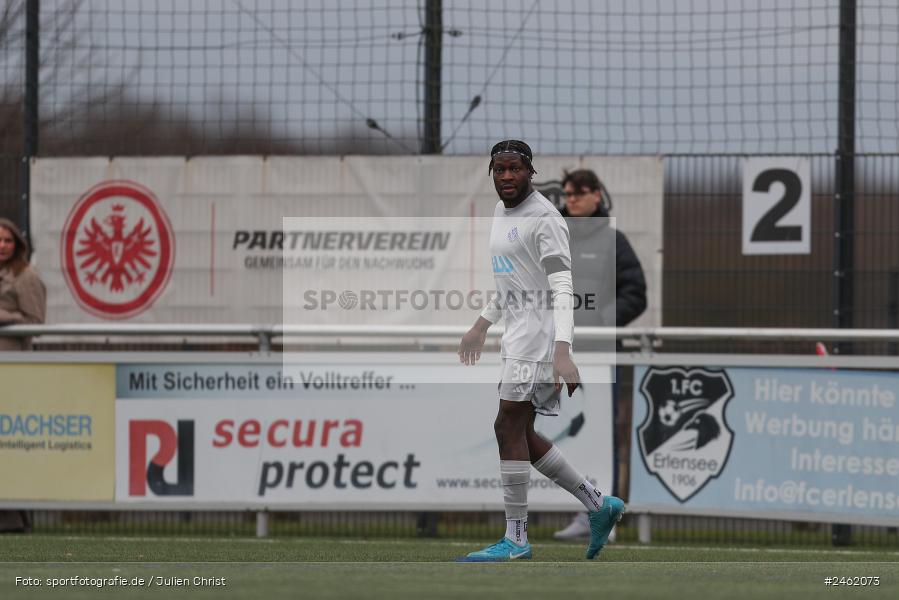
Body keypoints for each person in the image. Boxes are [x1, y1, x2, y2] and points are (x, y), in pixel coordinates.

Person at [457, 141, 624, 561]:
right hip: (518, 338)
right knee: (521, 434)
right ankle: (598, 505)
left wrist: (562, 351)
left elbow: (563, 287)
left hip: (540, 342)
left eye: (514, 168)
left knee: (506, 427)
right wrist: (482, 324)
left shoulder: (546, 219)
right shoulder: (501, 212)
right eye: (499, 169)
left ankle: (516, 539)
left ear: (531, 172)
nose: (506, 176)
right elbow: (511, 283)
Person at [553, 169, 647, 540]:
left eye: (579, 192)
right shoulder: (553, 235)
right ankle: (574, 511)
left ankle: (600, 514)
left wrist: (602, 320)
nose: (572, 199)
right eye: (567, 193)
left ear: (597, 196)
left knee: (601, 434)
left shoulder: (614, 241)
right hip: (556, 352)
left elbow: (636, 293)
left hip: (600, 356)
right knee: (556, 431)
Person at [0, 218, 46, 534]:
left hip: (11, 371)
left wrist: (4, 317)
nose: (2, 246)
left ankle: (14, 517)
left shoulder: (26, 276)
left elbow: (36, 321)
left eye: (7, 240)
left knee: (9, 445)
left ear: (17, 244)